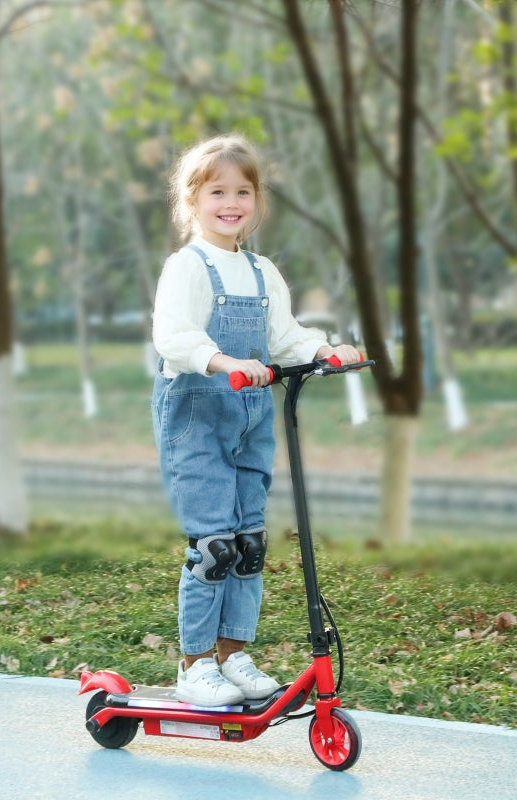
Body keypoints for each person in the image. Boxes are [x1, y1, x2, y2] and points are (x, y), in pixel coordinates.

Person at [151, 133, 361, 707]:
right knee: (213, 545)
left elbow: (284, 337)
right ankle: (193, 665)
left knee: (248, 542)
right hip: (198, 413)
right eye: (217, 191)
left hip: (250, 415)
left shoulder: (262, 270)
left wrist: (322, 351)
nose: (231, 202)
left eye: (243, 191)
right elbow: (172, 337)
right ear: (191, 201)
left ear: (256, 201)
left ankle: (232, 654)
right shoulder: (187, 266)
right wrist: (223, 362)